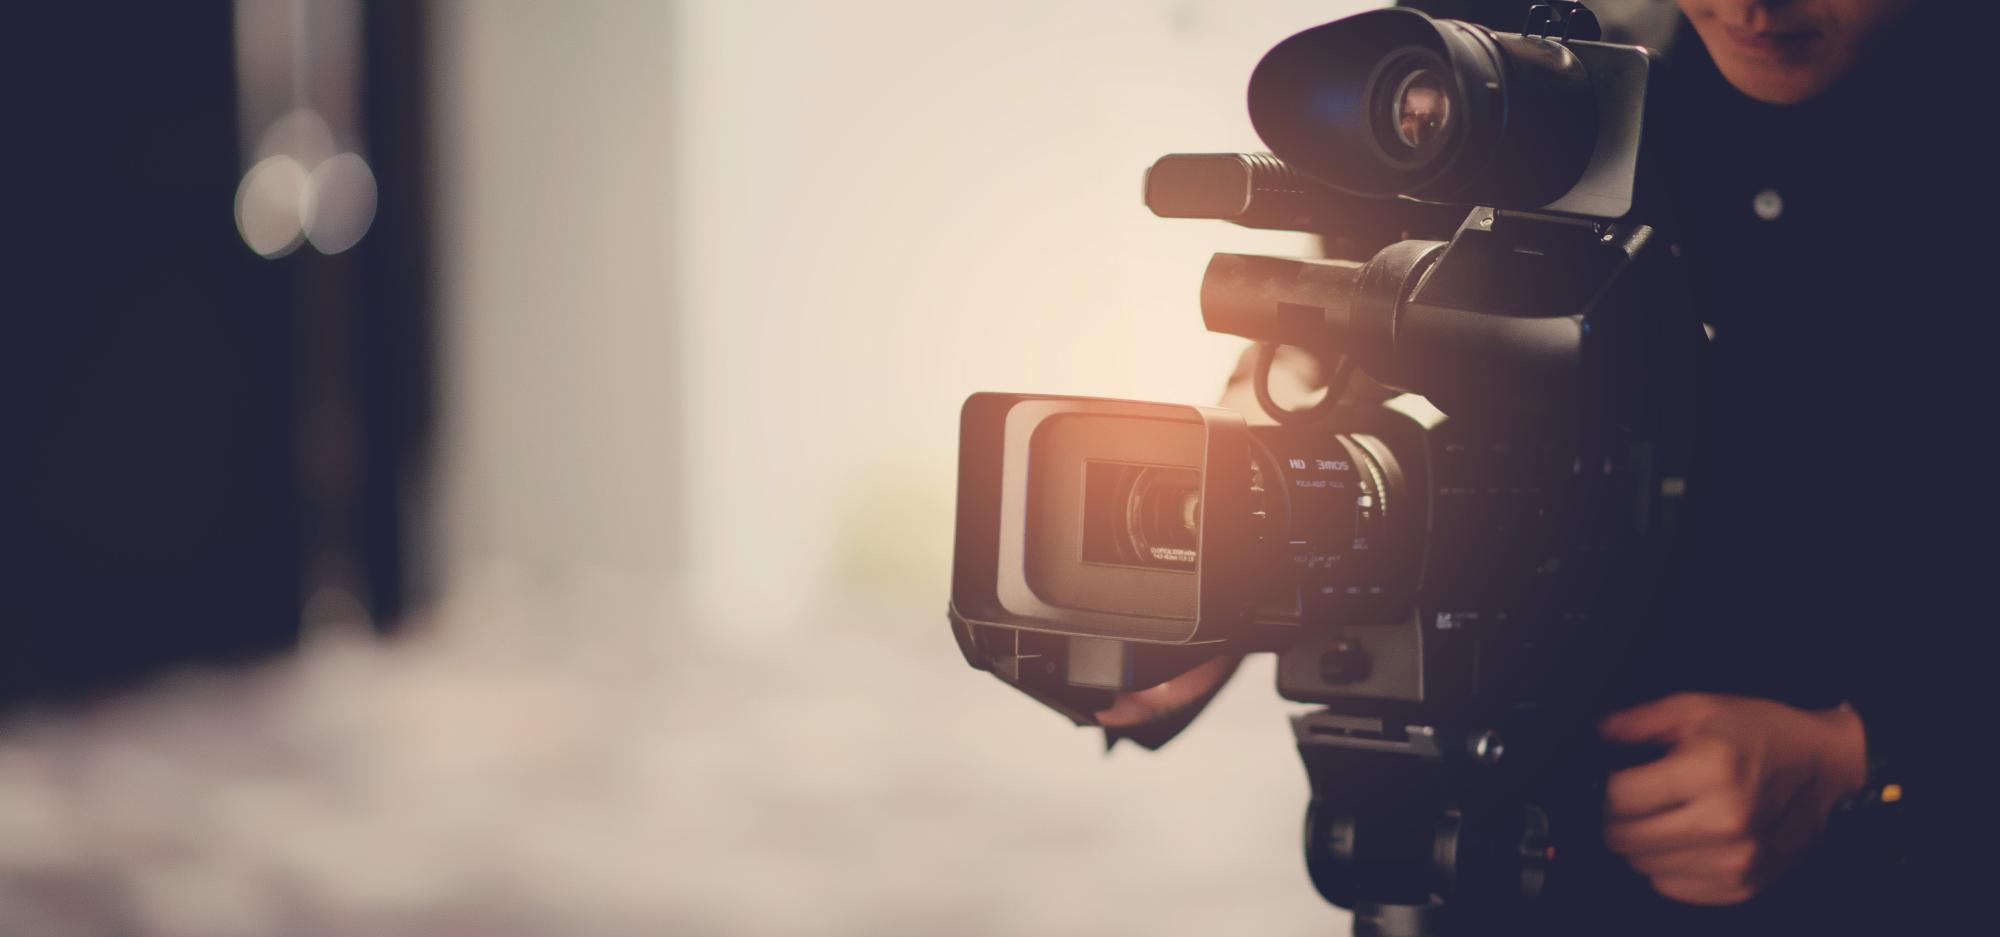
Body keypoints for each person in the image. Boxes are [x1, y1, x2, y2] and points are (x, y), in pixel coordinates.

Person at [1094, 0, 1978, 930]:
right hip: (1476, 857)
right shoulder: (1523, 83)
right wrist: (1236, 512)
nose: (1754, 6)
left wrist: (1867, 758)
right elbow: (1340, 334)